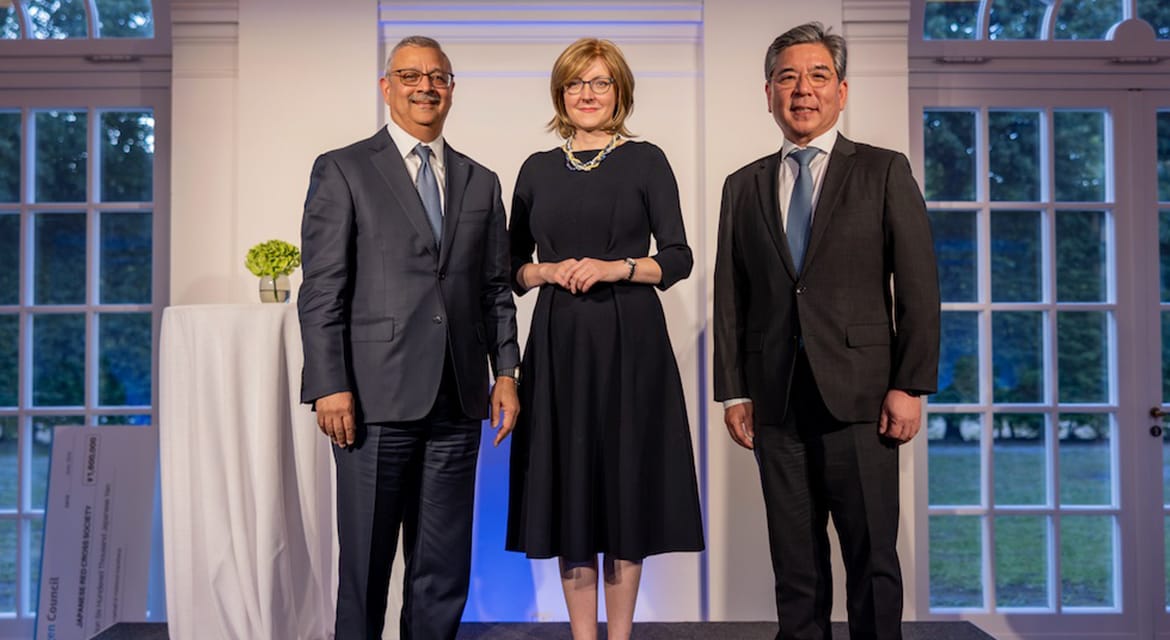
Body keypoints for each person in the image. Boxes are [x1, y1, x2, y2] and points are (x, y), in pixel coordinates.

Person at [712, 22, 941, 640]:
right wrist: (734, 391)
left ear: (842, 91)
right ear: (767, 93)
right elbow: (731, 295)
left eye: (817, 76)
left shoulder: (884, 172)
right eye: (787, 77)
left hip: (864, 401)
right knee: (796, 565)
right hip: (776, 401)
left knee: (872, 561)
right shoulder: (743, 186)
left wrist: (910, 384)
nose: (802, 90)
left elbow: (919, 287)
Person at [298, 35, 520, 640]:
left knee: (443, 568)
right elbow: (321, 287)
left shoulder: (481, 180)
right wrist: (329, 384)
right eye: (411, 75)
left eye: (438, 77)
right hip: (370, 401)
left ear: (451, 89)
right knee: (366, 565)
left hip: (458, 397)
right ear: (386, 87)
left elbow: (495, 288)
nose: (426, 86)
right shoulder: (343, 168)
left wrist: (506, 374)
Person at [505, 37, 704, 640]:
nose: (587, 94)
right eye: (575, 84)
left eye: (599, 83)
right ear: (560, 94)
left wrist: (617, 267)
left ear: (620, 92)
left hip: (630, 342)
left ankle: (619, 637)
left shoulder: (647, 161)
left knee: (623, 489)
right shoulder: (536, 169)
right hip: (559, 342)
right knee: (571, 491)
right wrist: (546, 271)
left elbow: (679, 256)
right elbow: (511, 266)